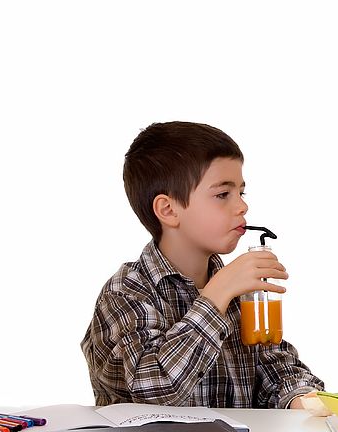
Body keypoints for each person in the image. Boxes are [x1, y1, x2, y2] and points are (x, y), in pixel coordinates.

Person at [80, 121, 323, 408]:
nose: (242, 206)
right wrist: (216, 296)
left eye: (241, 193)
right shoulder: (126, 292)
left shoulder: (235, 288)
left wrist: (300, 397)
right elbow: (154, 389)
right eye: (223, 194)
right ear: (169, 210)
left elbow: (274, 369)